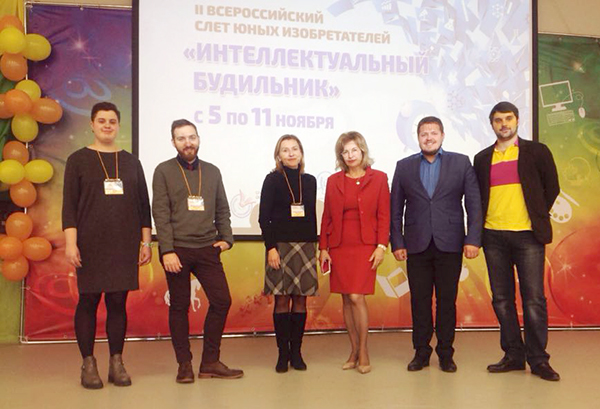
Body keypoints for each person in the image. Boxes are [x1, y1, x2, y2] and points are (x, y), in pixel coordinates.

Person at [62, 102, 152, 389]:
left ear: (118, 125)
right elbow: (69, 207)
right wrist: (71, 244)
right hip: (89, 244)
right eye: (101, 121)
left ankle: (116, 362)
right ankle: (88, 364)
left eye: (112, 121)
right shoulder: (78, 160)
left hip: (123, 243)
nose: (107, 125)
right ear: (92, 124)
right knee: (88, 301)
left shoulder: (131, 162)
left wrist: (146, 242)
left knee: (117, 302)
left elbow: (143, 206)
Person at [473, 101, 561, 381]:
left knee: (534, 299)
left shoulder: (537, 151)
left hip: (528, 236)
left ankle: (538, 360)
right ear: (491, 124)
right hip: (493, 237)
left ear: (517, 120)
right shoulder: (482, 158)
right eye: (498, 120)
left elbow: (552, 187)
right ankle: (513, 355)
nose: (504, 124)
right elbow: (477, 198)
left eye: (508, 118)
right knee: (501, 300)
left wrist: (536, 214)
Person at [152, 119, 243, 383]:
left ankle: (210, 362)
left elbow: (222, 208)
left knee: (222, 301)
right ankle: (184, 365)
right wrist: (166, 250)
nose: (188, 142)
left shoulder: (212, 171)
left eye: (192, 137)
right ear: (173, 142)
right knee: (180, 306)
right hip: (177, 250)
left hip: (207, 248)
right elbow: (160, 212)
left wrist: (227, 238)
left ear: (198, 139)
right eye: (181, 138)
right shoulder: (163, 170)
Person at [390, 116, 482, 373]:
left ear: (442, 136)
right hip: (416, 244)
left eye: (433, 133)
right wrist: (397, 241)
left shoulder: (461, 163)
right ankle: (421, 352)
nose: (428, 137)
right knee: (419, 301)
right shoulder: (404, 166)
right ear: (417, 138)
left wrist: (473, 239)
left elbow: (474, 204)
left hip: (450, 243)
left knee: (446, 301)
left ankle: (445, 353)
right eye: (423, 133)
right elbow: (395, 209)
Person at [319, 131, 390, 374]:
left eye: (354, 150)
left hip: (366, 246)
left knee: (357, 296)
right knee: (346, 299)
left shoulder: (379, 178)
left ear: (362, 151)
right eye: (345, 152)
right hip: (339, 246)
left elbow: (384, 215)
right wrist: (323, 248)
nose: (350, 155)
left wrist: (381, 246)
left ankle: (364, 350)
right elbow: (327, 216)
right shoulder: (333, 181)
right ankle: (353, 350)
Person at [259, 134, 318, 373]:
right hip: (280, 247)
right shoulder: (272, 180)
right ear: (278, 156)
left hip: (305, 247)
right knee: (282, 299)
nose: (291, 153)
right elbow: (264, 217)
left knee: (301, 300)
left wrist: (316, 247)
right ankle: (283, 354)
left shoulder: (310, 181)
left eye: (295, 149)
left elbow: (312, 216)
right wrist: (271, 247)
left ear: (301, 153)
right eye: (285, 150)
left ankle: (297, 353)